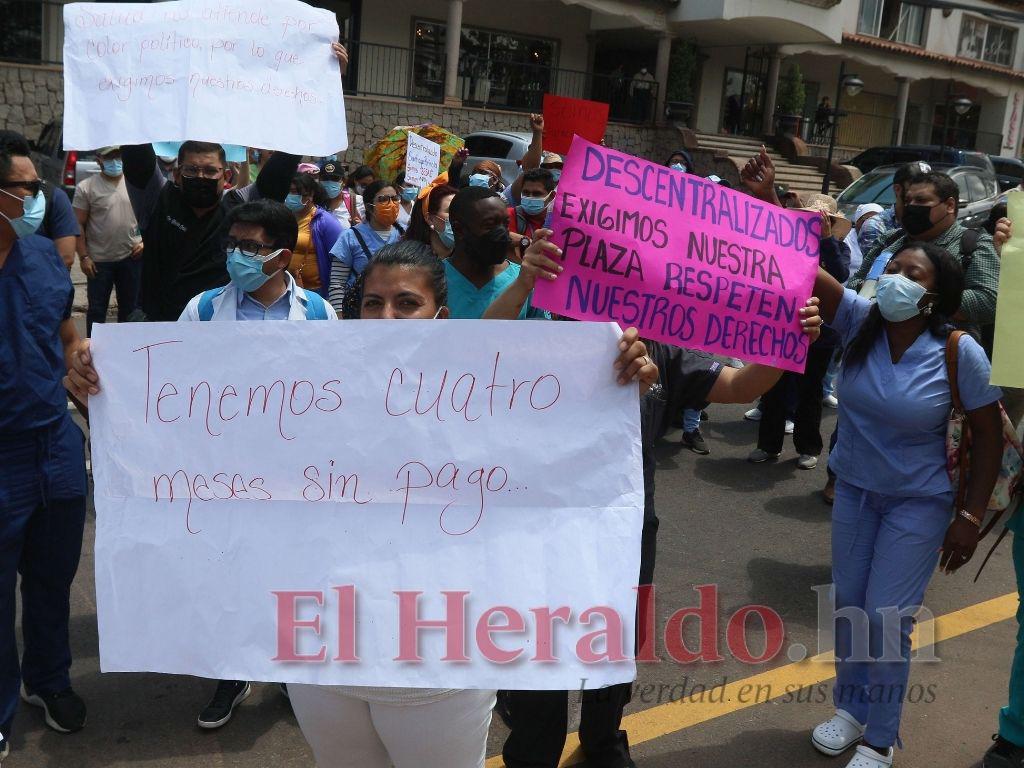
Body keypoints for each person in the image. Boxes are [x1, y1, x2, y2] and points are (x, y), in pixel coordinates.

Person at [483, 229, 823, 768]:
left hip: (625, 538)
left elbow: (739, 386)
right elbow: (469, 358)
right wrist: (524, 280)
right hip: (535, 544)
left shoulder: (657, 349)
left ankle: (602, 742)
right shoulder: (534, 336)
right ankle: (533, 748)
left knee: (614, 652)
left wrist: (790, 343)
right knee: (537, 673)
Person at [68, 200, 334, 733]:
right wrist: (103, 369)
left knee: (290, 575)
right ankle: (231, 674)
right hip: (224, 472)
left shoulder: (322, 315)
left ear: (282, 256)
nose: (236, 255)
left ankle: (290, 674)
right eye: (231, 244)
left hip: (291, 475)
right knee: (230, 573)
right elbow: (167, 382)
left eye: (250, 247)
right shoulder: (206, 309)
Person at [807, 241, 1003, 768]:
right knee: (849, 603)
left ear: (934, 295)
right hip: (853, 490)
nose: (894, 278)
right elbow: (803, 268)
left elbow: (988, 436)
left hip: (919, 501)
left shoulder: (959, 351)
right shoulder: (859, 321)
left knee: (887, 617)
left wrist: (970, 516)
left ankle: (881, 737)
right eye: (891, 269)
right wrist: (765, 203)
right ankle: (850, 710)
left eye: (910, 273)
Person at [0, 135, 90, 762]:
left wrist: (80, 361)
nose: (37, 198)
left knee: (54, 577)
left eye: (37, 186)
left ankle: (48, 681)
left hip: (55, 442)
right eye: (26, 188)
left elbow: (64, 331)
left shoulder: (40, 258)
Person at [122, 140, 299, 321]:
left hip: (216, 326)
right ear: (176, 174)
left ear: (227, 175)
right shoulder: (157, 199)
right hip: (160, 327)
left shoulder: (240, 207)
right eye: (191, 170)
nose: (201, 177)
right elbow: (136, 153)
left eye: (210, 171)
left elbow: (278, 174)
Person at [748, 194, 851, 470]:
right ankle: (768, 445)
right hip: (784, 327)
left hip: (821, 334)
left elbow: (840, 276)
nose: (816, 223)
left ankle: (808, 447)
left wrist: (827, 240)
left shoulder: (839, 248)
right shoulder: (789, 243)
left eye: (823, 219)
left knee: (810, 392)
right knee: (775, 387)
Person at [850, 171, 1000, 330]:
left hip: (940, 350)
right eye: (907, 201)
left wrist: (921, 297)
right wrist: (881, 292)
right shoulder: (889, 240)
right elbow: (854, 283)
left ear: (949, 205)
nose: (911, 206)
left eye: (921, 200)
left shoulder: (974, 244)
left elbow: (989, 301)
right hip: (872, 342)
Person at [443, 186, 548, 319]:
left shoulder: (524, 280)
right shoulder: (433, 280)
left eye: (505, 224)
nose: (503, 234)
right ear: (459, 229)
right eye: (489, 225)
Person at [72, 146, 144, 335]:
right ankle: (93, 352)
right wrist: (84, 257)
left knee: (130, 311)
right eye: (109, 157)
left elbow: (149, 216)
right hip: (99, 262)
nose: (115, 161)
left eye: (118, 156)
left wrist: (145, 242)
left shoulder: (135, 182)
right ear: (98, 160)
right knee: (97, 311)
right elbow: (78, 224)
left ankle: (127, 351)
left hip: (132, 257)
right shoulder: (86, 187)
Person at [0, 131, 79, 269]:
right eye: (31, 186)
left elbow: (66, 257)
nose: (39, 195)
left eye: (39, 184)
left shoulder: (45, 261)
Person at [327, 179, 403, 312]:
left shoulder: (403, 236)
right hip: (360, 313)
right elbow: (337, 283)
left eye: (394, 198)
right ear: (369, 207)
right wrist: (339, 317)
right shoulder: (350, 237)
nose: (391, 204)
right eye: (383, 199)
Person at [284, 171, 343, 299]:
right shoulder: (285, 217)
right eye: (289, 191)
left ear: (310, 195)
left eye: (295, 192)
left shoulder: (327, 222)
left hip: (316, 292)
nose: (290, 196)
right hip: (286, 288)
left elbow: (339, 261)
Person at [404, 180, 457, 260]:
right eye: (451, 210)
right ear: (430, 219)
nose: (459, 216)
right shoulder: (408, 262)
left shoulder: (468, 262)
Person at [509, 168, 555, 242]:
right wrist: (527, 242)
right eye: (526, 192)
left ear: (551, 196)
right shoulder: (510, 215)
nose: (530, 197)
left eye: (537, 194)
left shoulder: (557, 222)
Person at [319, 160, 359, 229]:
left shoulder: (356, 201)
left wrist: (361, 228)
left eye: (335, 179)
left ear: (343, 181)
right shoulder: (315, 204)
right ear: (319, 181)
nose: (330, 182)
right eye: (325, 178)